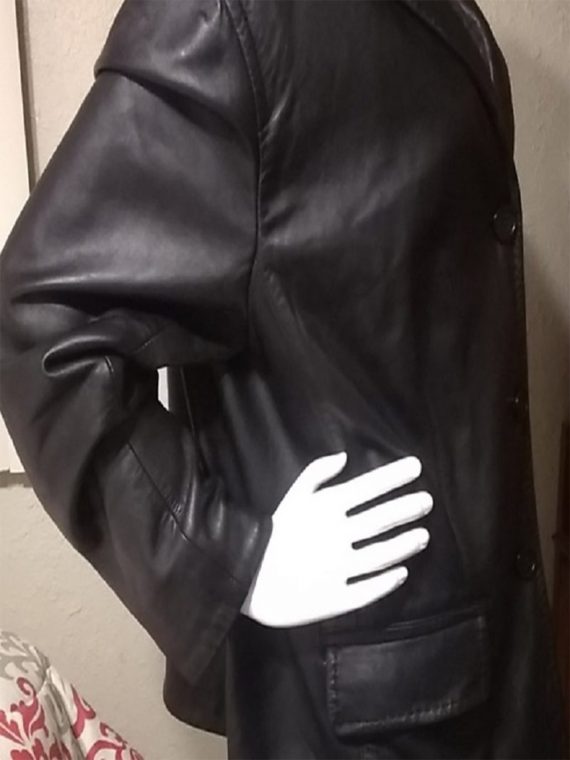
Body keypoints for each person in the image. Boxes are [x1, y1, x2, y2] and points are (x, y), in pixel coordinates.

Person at [0, 1, 567, 758]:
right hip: (369, 703)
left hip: (490, 663)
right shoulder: (225, 17)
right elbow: (38, 321)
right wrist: (230, 561)